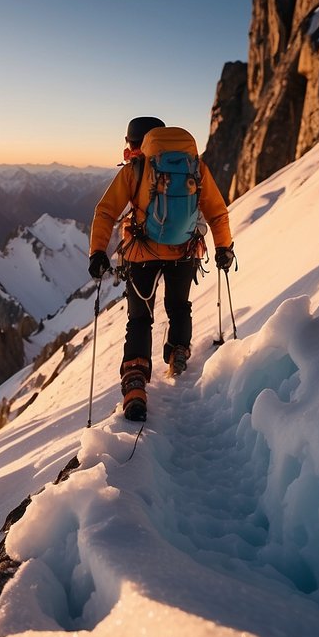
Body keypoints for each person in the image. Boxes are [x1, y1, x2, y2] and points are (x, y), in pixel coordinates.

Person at [87, 116, 234, 421]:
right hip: (185, 251)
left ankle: (135, 383)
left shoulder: (136, 170)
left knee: (140, 319)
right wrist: (224, 247)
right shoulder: (195, 166)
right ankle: (178, 353)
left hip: (142, 253)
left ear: (134, 143)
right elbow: (217, 212)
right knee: (179, 306)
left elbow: (106, 211)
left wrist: (98, 251)